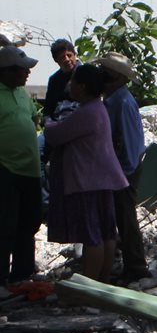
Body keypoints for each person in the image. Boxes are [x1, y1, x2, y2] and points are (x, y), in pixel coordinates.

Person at [43, 63, 129, 282]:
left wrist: (48, 123)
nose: (70, 85)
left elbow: (56, 135)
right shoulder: (98, 108)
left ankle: (89, 286)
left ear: (81, 87)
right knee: (106, 233)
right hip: (103, 178)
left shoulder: (87, 111)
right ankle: (102, 281)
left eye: (73, 82)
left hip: (87, 180)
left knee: (93, 236)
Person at [97, 52, 151, 282]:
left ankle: (136, 267)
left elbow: (129, 143)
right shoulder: (114, 100)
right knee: (121, 218)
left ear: (117, 79)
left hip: (124, 170)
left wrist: (123, 174)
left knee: (126, 220)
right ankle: (130, 264)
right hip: (119, 169)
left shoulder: (122, 103)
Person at [0, 45, 43, 287]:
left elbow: (33, 119)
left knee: (29, 223)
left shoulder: (22, 94)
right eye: (22, 69)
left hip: (30, 170)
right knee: (5, 224)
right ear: (6, 71)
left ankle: (23, 274)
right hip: (5, 168)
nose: (27, 73)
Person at [42, 38, 79, 122]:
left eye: (69, 55)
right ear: (56, 60)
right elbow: (48, 110)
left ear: (74, 55)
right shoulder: (54, 80)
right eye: (62, 57)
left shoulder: (85, 73)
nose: (67, 59)